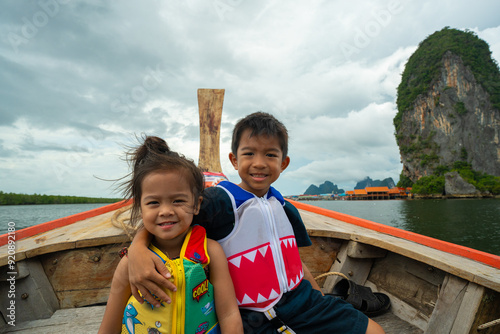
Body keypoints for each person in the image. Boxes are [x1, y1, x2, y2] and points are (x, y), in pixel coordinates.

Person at [127, 113, 385, 334]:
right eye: (249, 153)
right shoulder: (219, 202)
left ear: (283, 163)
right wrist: (137, 248)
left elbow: (293, 260)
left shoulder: (286, 208)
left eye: (270, 154)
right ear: (234, 160)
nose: (259, 163)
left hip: (303, 303)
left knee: (376, 331)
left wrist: (318, 298)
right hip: (250, 319)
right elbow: (172, 217)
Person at [98, 136, 243, 334]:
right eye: (153, 203)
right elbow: (109, 326)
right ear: (140, 208)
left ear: (197, 204)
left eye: (177, 201)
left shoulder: (210, 252)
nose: (166, 211)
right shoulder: (130, 262)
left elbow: (229, 314)